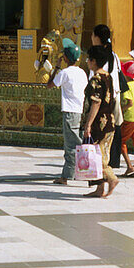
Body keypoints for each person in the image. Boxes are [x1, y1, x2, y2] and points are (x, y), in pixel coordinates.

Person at [81, 43, 119, 198]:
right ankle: (99, 189)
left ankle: (112, 178)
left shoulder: (96, 79)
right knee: (102, 154)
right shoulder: (108, 76)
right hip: (109, 122)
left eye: (89, 59)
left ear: (94, 61)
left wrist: (88, 124)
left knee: (97, 156)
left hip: (99, 124)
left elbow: (96, 103)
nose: (87, 62)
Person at [51, 38, 87, 185]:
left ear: (65, 58)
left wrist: (56, 67)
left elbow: (50, 84)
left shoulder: (65, 73)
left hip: (70, 112)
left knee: (71, 145)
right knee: (77, 142)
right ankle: (79, 171)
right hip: (80, 111)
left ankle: (67, 176)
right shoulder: (82, 73)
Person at [91, 25, 123, 169]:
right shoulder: (114, 55)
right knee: (114, 127)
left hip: (102, 97)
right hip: (115, 94)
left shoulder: (98, 55)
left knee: (101, 128)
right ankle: (114, 160)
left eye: (93, 35)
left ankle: (104, 163)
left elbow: (95, 78)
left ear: (97, 37)